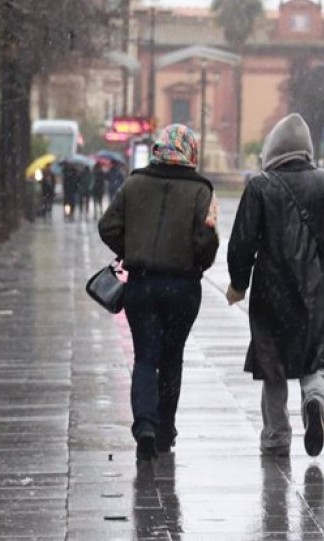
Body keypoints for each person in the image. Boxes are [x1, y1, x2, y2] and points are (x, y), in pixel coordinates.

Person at [226, 113, 324, 458]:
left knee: (273, 361)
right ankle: (315, 401)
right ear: (307, 149)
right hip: (318, 290)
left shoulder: (260, 185)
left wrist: (238, 283)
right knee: (313, 356)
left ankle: (277, 435)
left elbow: (242, 243)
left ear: (273, 149)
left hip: (271, 289)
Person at [99, 124, 219, 461]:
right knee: (172, 357)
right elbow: (206, 241)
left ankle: (145, 426)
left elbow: (107, 226)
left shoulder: (134, 184)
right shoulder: (202, 192)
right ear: (189, 151)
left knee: (145, 356)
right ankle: (166, 429)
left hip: (141, 283)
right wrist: (198, 262)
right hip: (182, 286)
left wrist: (130, 248)